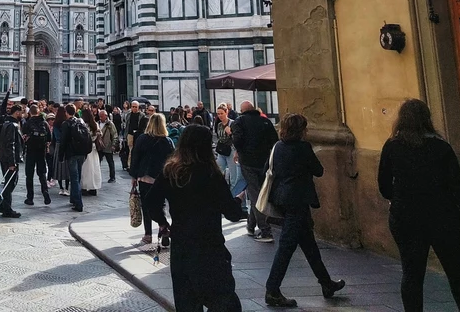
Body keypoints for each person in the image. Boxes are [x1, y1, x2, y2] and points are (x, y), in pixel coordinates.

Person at [378, 99, 460, 312]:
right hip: (444, 218)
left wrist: (396, 199)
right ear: (427, 119)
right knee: (457, 274)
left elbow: (384, 184)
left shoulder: (392, 146)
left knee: (412, 274)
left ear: (401, 120)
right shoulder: (441, 147)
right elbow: (458, 187)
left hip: (406, 218)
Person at [147, 125, 245, 312]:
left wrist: (162, 222)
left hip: (182, 247)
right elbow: (232, 213)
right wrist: (238, 200)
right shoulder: (210, 174)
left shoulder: (170, 171)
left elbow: (151, 201)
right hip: (209, 247)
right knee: (224, 302)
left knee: (187, 304)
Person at [263, 113, 345, 308]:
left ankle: (326, 284)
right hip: (297, 202)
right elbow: (318, 170)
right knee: (286, 247)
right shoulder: (303, 148)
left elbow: (267, 169)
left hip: (282, 199)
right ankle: (272, 290)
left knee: (309, 245)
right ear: (301, 130)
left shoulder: (278, 147)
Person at [231, 100, 277, 242]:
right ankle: (251, 226)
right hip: (264, 162)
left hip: (248, 162)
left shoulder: (239, 121)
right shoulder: (265, 121)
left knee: (255, 193)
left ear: (242, 110)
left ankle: (265, 231)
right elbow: (274, 140)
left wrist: (237, 147)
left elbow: (237, 140)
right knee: (258, 192)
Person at [130, 112, 175, 246]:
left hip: (145, 176)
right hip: (162, 178)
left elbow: (135, 157)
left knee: (146, 206)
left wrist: (134, 175)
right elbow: (172, 160)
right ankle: (163, 226)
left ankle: (148, 234)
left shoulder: (142, 139)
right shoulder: (167, 141)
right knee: (160, 204)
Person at [59, 103, 89, 212]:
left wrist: (60, 156)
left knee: (74, 178)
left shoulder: (66, 124)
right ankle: (73, 199)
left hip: (71, 154)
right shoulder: (80, 121)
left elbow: (63, 141)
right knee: (77, 177)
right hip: (81, 153)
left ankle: (79, 203)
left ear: (66, 112)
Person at [0, 104, 24, 217]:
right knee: (11, 182)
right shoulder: (12, 125)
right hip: (9, 159)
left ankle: (3, 205)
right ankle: (6, 208)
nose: (23, 114)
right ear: (17, 112)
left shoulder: (6, 123)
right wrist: (12, 162)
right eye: (21, 112)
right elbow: (10, 144)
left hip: (4, 157)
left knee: (10, 182)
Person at [22, 103, 52, 206]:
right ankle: (45, 192)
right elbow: (49, 138)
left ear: (30, 112)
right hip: (41, 151)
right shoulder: (44, 123)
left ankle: (30, 198)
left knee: (29, 175)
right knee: (42, 173)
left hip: (30, 151)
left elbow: (24, 137)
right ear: (38, 111)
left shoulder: (27, 123)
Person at [214, 103, 240, 192]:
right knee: (218, 171)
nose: (220, 116)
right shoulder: (219, 124)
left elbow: (237, 137)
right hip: (222, 150)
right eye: (218, 114)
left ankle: (235, 196)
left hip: (231, 149)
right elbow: (219, 136)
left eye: (221, 113)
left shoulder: (233, 123)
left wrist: (230, 133)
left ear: (226, 112)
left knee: (234, 175)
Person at [80, 108, 102, 196]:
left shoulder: (83, 125)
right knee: (94, 168)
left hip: (85, 148)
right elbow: (100, 134)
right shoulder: (95, 125)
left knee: (85, 169)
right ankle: (94, 187)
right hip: (94, 149)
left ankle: (85, 186)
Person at [125, 100, 147, 168]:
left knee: (137, 149)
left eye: (136, 107)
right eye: (133, 107)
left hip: (138, 134)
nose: (134, 108)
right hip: (130, 134)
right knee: (131, 149)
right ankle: (130, 165)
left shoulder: (142, 115)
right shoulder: (128, 115)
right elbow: (126, 124)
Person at [97, 109, 117, 183]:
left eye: (102, 116)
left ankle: (112, 177)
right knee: (98, 162)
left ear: (105, 116)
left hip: (108, 145)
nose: (100, 118)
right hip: (99, 146)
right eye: (100, 116)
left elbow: (115, 134)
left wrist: (113, 145)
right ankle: (97, 176)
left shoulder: (110, 124)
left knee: (110, 162)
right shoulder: (97, 123)